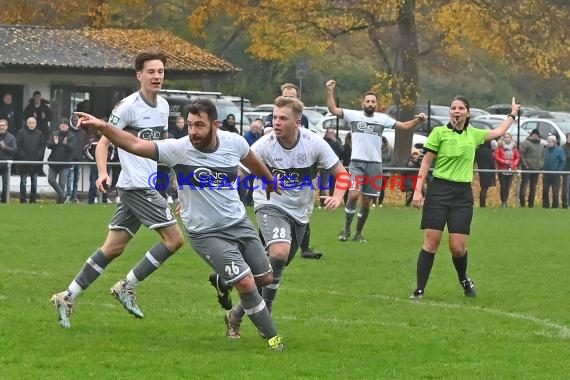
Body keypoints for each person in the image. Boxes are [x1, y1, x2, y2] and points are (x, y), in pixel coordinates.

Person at [75, 97, 284, 351]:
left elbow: (251, 160)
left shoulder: (234, 143)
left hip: (239, 223)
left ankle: (222, 280)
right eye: (189, 125)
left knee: (264, 277)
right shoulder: (178, 148)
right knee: (246, 284)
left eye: (199, 126)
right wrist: (103, 127)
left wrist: (270, 180)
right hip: (205, 233)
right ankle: (275, 341)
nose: (193, 132)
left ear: (215, 125)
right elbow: (134, 143)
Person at [50, 50, 185, 330]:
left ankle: (67, 296)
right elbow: (103, 142)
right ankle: (126, 285)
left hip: (142, 185)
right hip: (136, 186)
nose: (157, 76)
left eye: (160, 71)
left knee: (113, 248)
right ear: (139, 75)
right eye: (151, 71)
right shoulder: (127, 107)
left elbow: (158, 148)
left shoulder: (164, 107)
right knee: (174, 240)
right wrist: (101, 173)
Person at [211, 95, 347, 339]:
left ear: (298, 122)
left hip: (301, 214)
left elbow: (342, 174)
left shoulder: (313, 143)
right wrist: (217, 197)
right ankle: (267, 309)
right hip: (269, 205)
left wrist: (338, 196)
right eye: (274, 117)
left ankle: (235, 312)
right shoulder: (264, 144)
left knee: (270, 273)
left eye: (283, 118)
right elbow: (238, 175)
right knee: (279, 253)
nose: (276, 122)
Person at [409, 96, 521, 299]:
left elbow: (498, 132)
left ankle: (464, 279)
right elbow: (425, 163)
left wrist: (512, 114)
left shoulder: (474, 134)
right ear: (450, 112)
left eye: (461, 108)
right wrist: (418, 190)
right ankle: (419, 290)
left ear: (468, 113)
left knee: (458, 248)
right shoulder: (439, 133)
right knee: (431, 242)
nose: (456, 111)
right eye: (453, 108)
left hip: (462, 195)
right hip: (439, 190)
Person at [325, 79, 426, 242]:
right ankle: (346, 229)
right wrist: (330, 91)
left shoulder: (382, 118)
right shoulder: (353, 115)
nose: (370, 103)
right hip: (357, 162)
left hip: (375, 165)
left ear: (376, 104)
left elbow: (405, 126)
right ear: (362, 103)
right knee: (354, 194)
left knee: (366, 200)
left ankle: (358, 233)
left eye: (373, 101)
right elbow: (332, 109)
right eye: (367, 101)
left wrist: (418, 121)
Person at [264, 82, 322, 259]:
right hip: (277, 169)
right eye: (286, 95)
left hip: (300, 169)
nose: (289, 99)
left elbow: (306, 141)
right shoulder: (274, 115)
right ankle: (265, 245)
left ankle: (305, 248)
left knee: (303, 205)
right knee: (271, 208)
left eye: (292, 96)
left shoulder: (302, 118)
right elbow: (268, 133)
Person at [15, 117, 46, 203]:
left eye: (33, 123)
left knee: (34, 182)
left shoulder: (39, 133)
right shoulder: (21, 132)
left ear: (36, 124)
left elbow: (42, 146)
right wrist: (23, 156)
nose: (31, 125)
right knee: (23, 182)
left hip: (35, 162)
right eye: (30, 123)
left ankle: (33, 200)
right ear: (27, 123)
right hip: (24, 161)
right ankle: (23, 200)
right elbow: (18, 146)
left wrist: (39, 156)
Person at [46, 119, 75, 204]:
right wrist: (54, 143)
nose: (63, 125)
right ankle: (63, 195)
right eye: (61, 124)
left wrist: (66, 144)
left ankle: (60, 202)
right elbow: (48, 145)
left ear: (68, 126)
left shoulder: (71, 136)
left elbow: (72, 148)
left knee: (62, 184)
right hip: (53, 162)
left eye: (65, 124)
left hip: (65, 164)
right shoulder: (54, 134)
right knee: (51, 179)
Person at [518, 129, 543, 208]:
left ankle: (531, 204)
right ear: (531, 135)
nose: (535, 136)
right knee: (524, 186)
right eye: (533, 134)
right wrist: (525, 165)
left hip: (536, 169)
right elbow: (521, 154)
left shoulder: (541, 145)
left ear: (538, 136)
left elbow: (543, 156)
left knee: (533, 187)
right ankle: (522, 203)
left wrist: (541, 165)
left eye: (536, 135)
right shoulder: (526, 143)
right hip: (527, 168)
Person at [493, 133, 520, 208]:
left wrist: (513, 164)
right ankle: (503, 201)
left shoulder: (514, 148)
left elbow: (517, 157)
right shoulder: (499, 147)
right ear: (503, 138)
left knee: (508, 186)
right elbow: (496, 156)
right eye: (505, 137)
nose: (507, 138)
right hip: (502, 169)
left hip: (511, 169)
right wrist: (504, 161)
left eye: (508, 137)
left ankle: (506, 201)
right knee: (503, 186)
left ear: (511, 138)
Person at [542, 135, 565, 209]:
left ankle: (555, 206)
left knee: (555, 192)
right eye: (548, 141)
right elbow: (542, 159)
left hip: (555, 175)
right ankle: (545, 206)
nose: (548, 143)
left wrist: (559, 171)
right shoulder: (545, 149)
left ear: (554, 142)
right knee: (545, 190)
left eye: (550, 142)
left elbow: (563, 161)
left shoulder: (560, 150)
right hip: (546, 173)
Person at [0, 119, 17, 203]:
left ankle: (4, 201)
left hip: (6, 164)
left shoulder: (11, 137)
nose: (1, 127)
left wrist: (5, 147)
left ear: (6, 126)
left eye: (3, 125)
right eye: (0, 125)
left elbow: (14, 150)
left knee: (5, 184)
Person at [475, 140, 495, 207]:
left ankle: (482, 203)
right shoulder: (489, 151)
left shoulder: (477, 151)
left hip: (481, 170)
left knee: (483, 187)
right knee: (485, 188)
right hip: (488, 171)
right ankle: (482, 204)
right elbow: (492, 163)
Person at [377, 136, 394, 207]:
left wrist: (384, 167)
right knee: (375, 187)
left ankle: (380, 203)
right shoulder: (376, 150)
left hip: (385, 173)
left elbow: (392, 162)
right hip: (376, 172)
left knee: (382, 188)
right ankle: (374, 202)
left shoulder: (389, 151)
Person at [340, 132, 352, 204]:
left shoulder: (357, 147)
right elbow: (341, 159)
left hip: (354, 169)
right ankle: (346, 201)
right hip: (346, 169)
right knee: (346, 187)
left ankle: (351, 201)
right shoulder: (344, 148)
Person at [560, 133, 570, 208]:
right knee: (566, 188)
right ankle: (565, 203)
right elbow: (563, 158)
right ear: (567, 138)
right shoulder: (563, 147)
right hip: (566, 170)